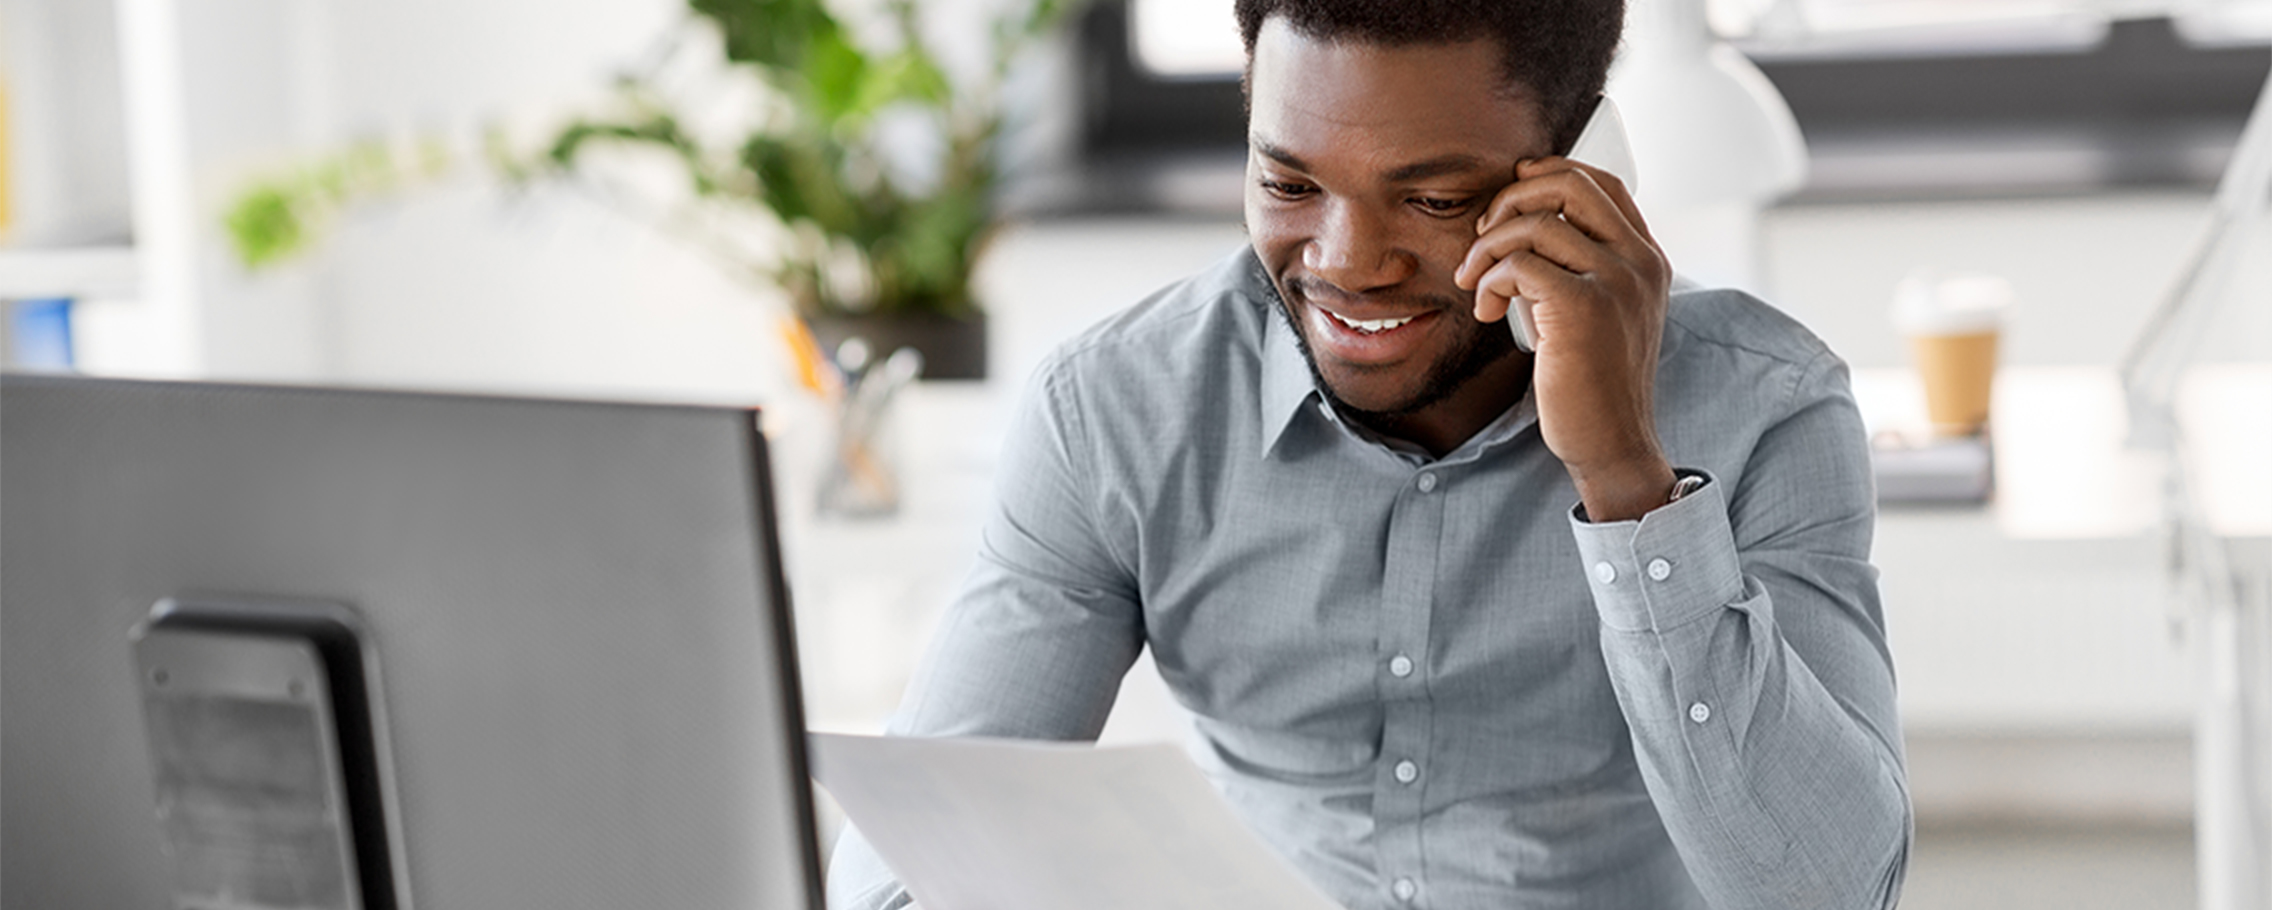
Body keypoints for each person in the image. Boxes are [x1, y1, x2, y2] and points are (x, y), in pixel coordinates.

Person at [827, 1, 1911, 907]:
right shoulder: (1116, 409)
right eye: (1290, 185)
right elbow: (914, 841)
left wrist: (1627, 480)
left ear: (1586, 168)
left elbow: (1826, 891)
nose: (1346, 266)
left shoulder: (1768, 406)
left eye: (1434, 199)